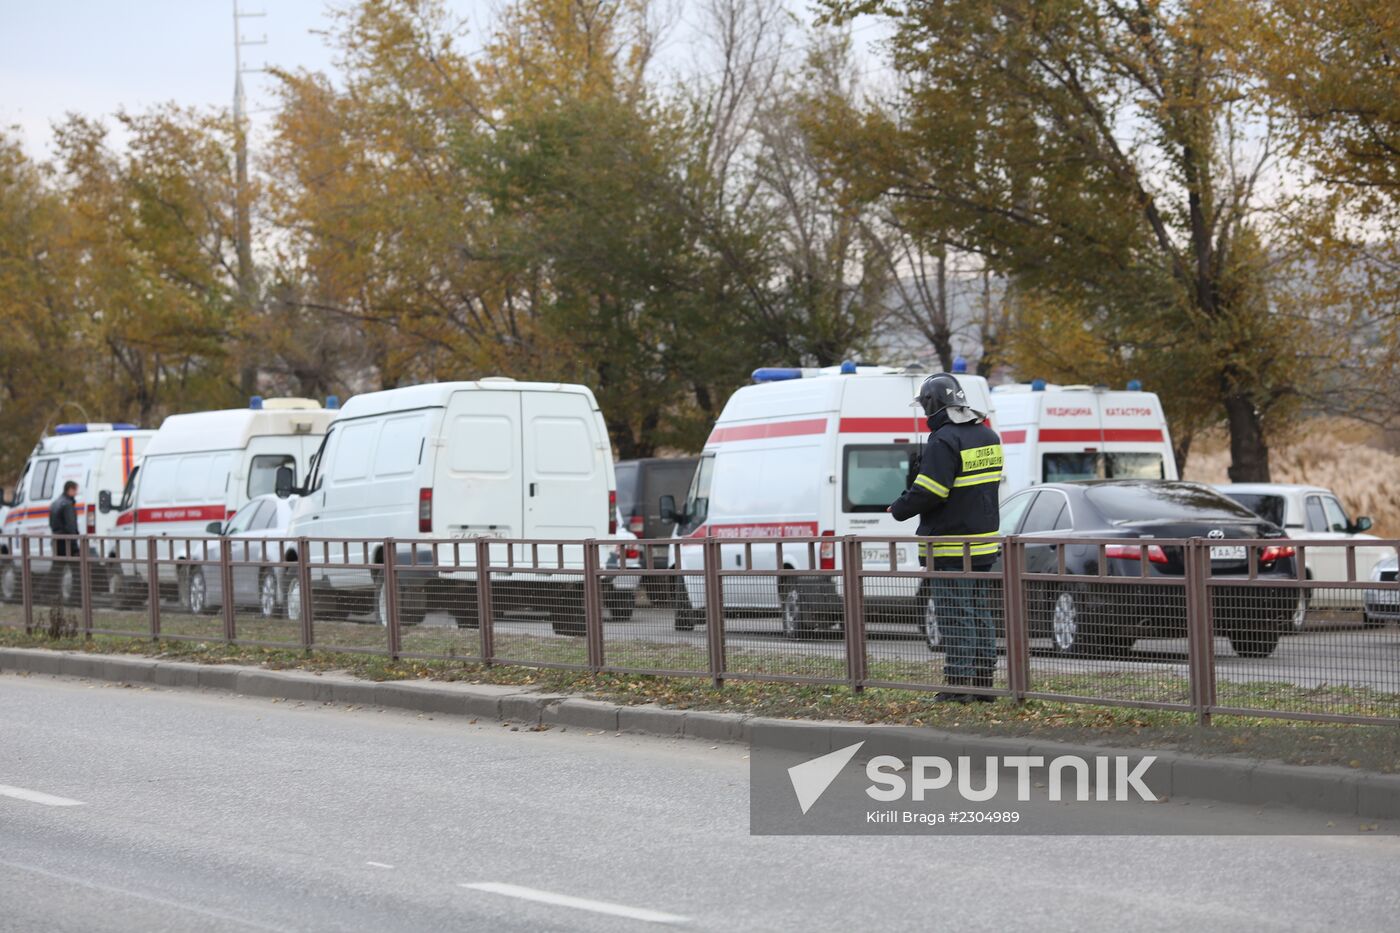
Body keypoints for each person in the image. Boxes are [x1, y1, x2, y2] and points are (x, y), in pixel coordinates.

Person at [888, 373, 1003, 703]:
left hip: (950, 546)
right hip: (983, 546)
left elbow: (931, 491)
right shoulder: (988, 436)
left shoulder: (943, 441)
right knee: (980, 612)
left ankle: (958, 683)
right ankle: (983, 683)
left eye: (925, 405)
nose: (924, 413)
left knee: (954, 613)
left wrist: (898, 508)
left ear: (934, 404)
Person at [49, 480, 79, 557]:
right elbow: (71, 525)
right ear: (70, 489)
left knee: (58, 566)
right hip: (67, 542)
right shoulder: (67, 504)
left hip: (56, 540)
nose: (76, 493)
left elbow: (51, 523)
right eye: (75, 490)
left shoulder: (55, 503)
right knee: (76, 566)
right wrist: (74, 544)